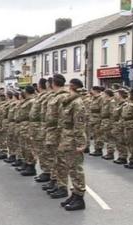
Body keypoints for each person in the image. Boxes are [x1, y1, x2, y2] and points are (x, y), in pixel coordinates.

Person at [57, 78, 87, 211]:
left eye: (70, 86)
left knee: (76, 169)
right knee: (70, 168)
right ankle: (75, 195)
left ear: (73, 87)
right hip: (67, 138)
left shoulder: (77, 103)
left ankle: (80, 199)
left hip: (73, 140)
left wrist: (81, 143)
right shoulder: (70, 102)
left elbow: (79, 125)